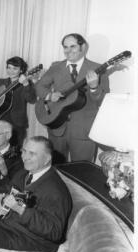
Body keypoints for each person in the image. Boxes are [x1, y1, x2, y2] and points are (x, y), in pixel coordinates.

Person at [35, 33, 109, 162]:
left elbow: (104, 103)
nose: (68, 51)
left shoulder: (98, 69)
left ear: (83, 47)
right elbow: (40, 86)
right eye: (65, 47)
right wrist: (50, 95)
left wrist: (94, 88)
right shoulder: (56, 67)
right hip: (57, 127)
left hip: (83, 131)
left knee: (81, 171)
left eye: (73, 46)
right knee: (56, 169)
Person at [0, 57, 36, 147]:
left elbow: (32, 99)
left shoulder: (26, 84)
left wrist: (25, 84)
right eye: (9, 68)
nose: (11, 71)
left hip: (15, 125)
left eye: (15, 68)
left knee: (11, 155)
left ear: (21, 70)